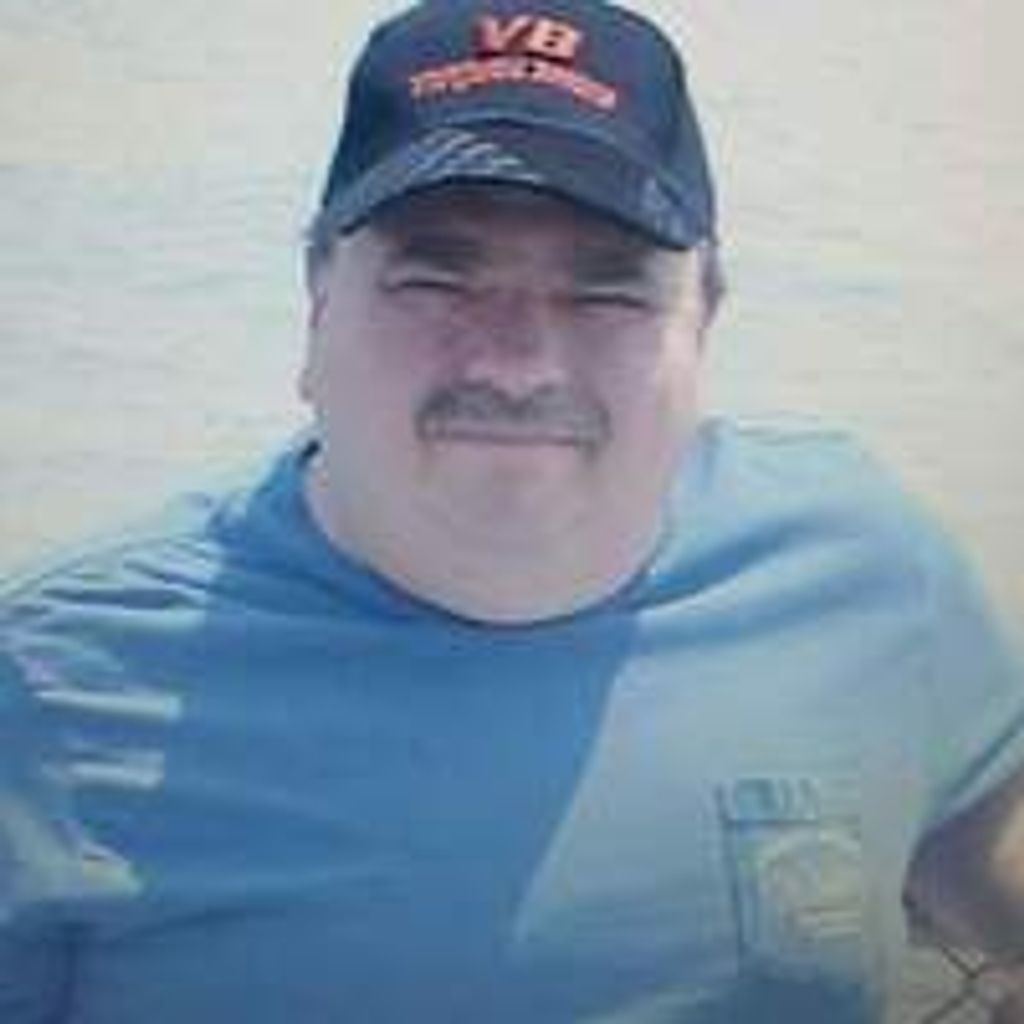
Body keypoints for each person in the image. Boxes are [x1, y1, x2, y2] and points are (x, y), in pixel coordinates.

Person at [2, 0, 1022, 1020]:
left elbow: (977, 846)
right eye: (436, 277)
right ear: (317, 301)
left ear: (703, 313)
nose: (517, 364)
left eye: (608, 292)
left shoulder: (866, 568)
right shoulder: (51, 681)